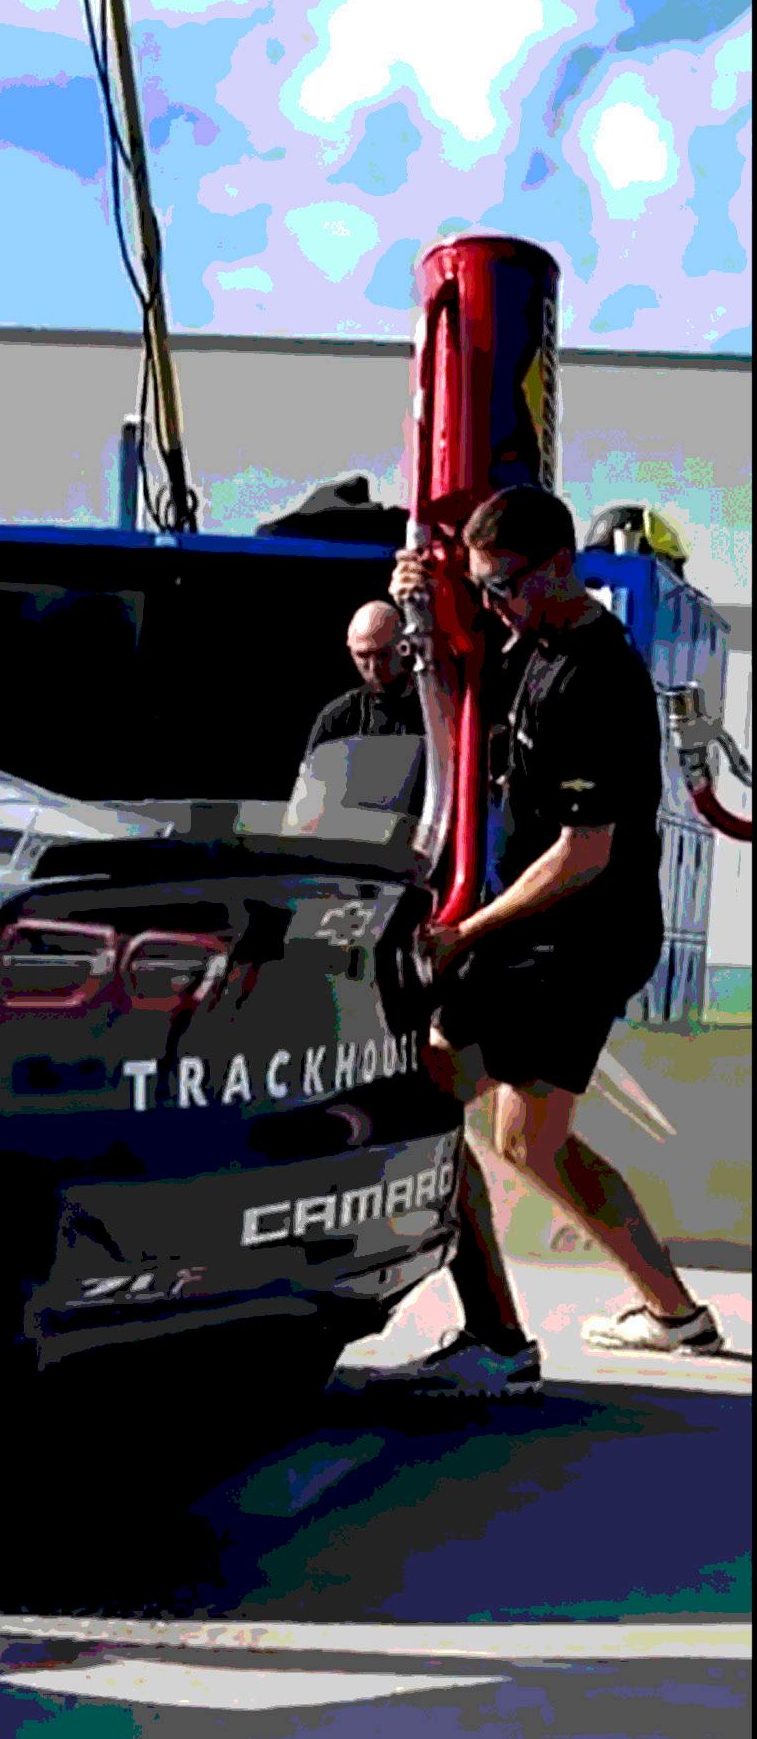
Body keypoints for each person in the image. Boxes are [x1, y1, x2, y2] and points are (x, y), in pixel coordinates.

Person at [386, 485, 723, 1397]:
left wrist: (464, 934)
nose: (493, 601)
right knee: (530, 1143)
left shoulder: (594, 676)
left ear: (561, 567)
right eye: (483, 587)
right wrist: (421, 595)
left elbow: (585, 852)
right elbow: (454, 697)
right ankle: (675, 1314)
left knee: (431, 1091)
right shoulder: (530, 641)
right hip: (559, 931)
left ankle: (497, 1339)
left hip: (576, 936)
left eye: (505, 585)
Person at [301, 601, 422, 767]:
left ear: (405, 646)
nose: (373, 667)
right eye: (363, 656)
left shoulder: (431, 708)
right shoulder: (339, 717)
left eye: (384, 655)